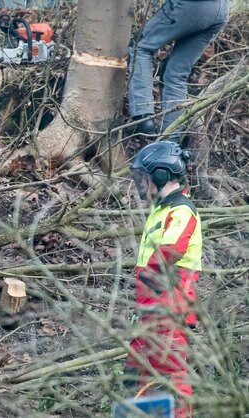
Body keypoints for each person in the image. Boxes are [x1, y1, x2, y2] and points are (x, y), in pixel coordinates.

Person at [125, 141, 201, 417]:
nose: (142, 185)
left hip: (169, 304)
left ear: (160, 175)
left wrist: (146, 278)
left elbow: (171, 249)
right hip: (152, 304)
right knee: (138, 369)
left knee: (170, 373)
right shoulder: (161, 211)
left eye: (145, 178)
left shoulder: (181, 211)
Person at [127, 0, 228, 139]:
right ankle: (170, 140)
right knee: (175, 74)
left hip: (191, 5)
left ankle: (143, 118)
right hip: (219, 10)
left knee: (140, 47)